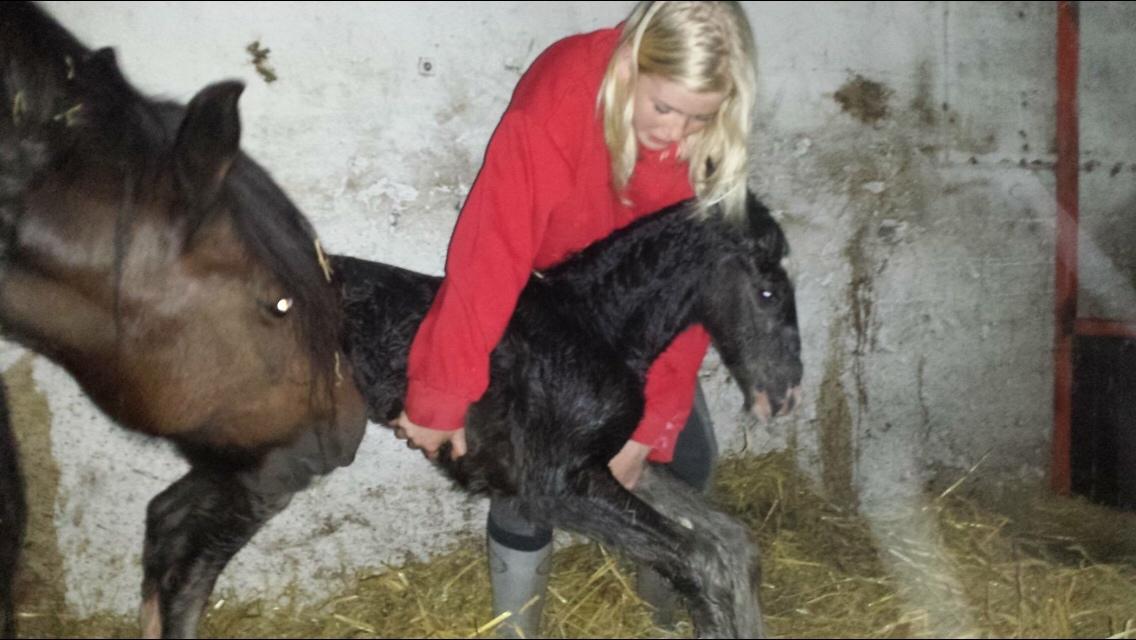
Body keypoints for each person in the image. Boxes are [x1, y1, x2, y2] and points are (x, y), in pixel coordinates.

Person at [393, 1, 757, 635]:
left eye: (699, 117)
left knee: (689, 457)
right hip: (547, 296)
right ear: (628, 67)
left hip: (637, 311)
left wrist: (649, 424)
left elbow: (694, 286)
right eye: (663, 107)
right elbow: (491, 252)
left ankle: (663, 611)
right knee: (530, 468)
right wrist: (441, 392)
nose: (674, 133)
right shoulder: (559, 99)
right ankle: (516, 626)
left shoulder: (710, 147)